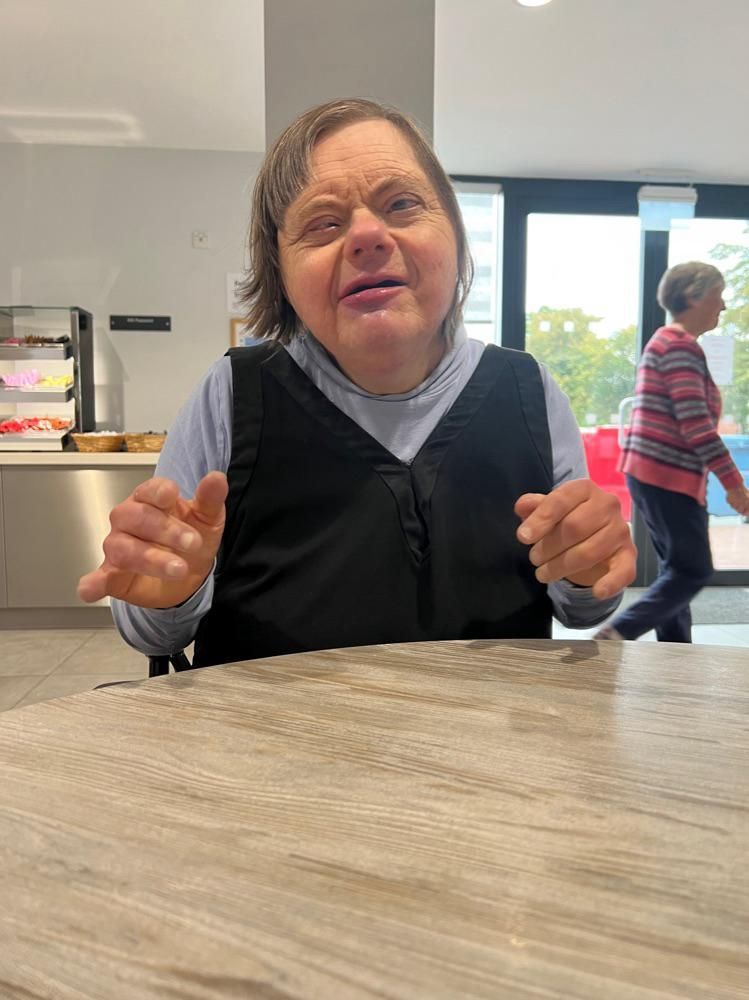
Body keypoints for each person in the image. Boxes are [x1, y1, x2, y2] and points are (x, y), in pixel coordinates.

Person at [78, 98, 636, 667]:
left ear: (455, 232)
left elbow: (582, 608)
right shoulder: (232, 393)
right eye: (323, 223)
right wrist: (171, 591)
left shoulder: (529, 390)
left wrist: (591, 567)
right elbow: (152, 633)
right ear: (282, 269)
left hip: (486, 745)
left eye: (401, 204)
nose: (367, 236)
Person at [596, 261, 749, 644]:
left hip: (654, 474)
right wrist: (734, 484)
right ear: (694, 296)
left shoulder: (672, 343)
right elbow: (696, 425)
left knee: (675, 569)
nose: (724, 305)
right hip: (667, 477)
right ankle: (618, 632)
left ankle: (676, 654)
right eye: (719, 294)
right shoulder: (677, 345)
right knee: (692, 571)